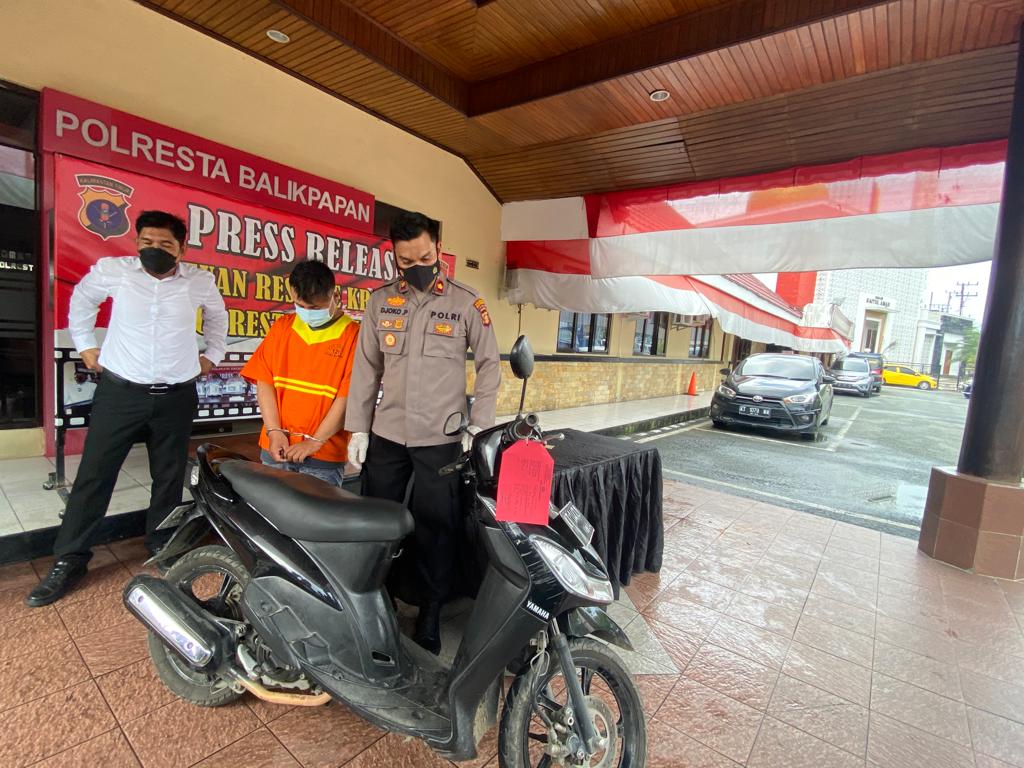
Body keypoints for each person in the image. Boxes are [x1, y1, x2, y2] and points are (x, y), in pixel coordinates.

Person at [26, 210, 227, 607]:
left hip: (175, 396)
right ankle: (70, 558)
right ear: (136, 243)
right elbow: (83, 299)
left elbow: (218, 317)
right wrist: (85, 345)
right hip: (121, 393)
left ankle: (162, 544)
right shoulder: (114, 271)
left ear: (182, 248)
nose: (155, 250)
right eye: (147, 242)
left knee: (168, 475)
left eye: (165, 244)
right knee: (95, 475)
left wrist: (213, 355)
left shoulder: (199, 281)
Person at [345, 211, 501, 654]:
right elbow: (366, 368)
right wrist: (358, 429)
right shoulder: (380, 302)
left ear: (439, 249)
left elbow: (489, 364)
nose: (416, 267)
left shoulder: (466, 302)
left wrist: (479, 423)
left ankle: (431, 609)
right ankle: (378, 599)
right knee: (378, 520)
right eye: (406, 261)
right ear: (393, 257)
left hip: (441, 437)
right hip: (388, 433)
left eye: (425, 258)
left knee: (437, 526)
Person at [240, 260, 359, 485]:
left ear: (335, 295)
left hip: (323, 454)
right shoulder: (283, 327)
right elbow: (264, 382)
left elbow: (348, 399)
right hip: (277, 447)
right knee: (270, 505)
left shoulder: (354, 336)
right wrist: (274, 431)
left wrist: (315, 442)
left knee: (315, 507)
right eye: (299, 305)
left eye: (314, 308)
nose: (306, 313)